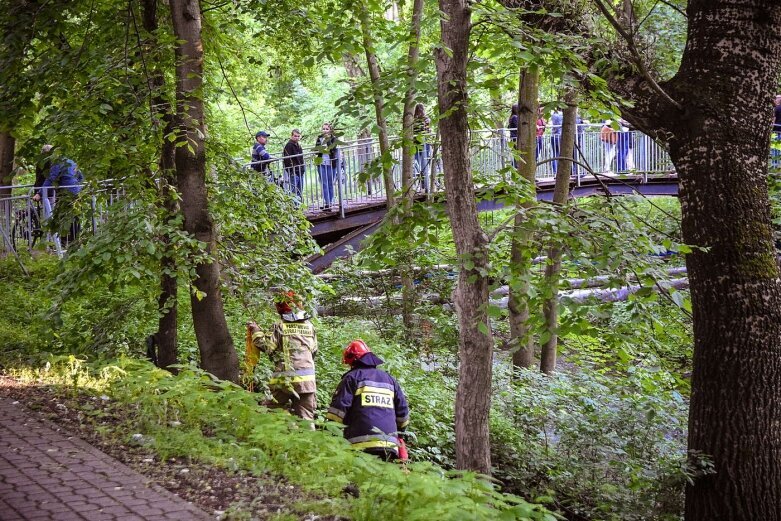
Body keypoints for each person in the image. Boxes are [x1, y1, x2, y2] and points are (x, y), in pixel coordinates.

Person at [326, 340, 410, 461]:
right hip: (389, 445)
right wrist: (399, 432)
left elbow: (336, 413)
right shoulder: (390, 379)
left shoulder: (352, 378)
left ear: (352, 361)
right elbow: (403, 416)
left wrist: (328, 433)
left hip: (360, 444)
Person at [246, 291, 318, 422]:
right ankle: (308, 440)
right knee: (306, 419)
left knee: (272, 413)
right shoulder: (310, 326)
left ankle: (277, 439)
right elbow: (314, 351)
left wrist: (256, 330)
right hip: (308, 381)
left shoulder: (280, 325)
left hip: (284, 380)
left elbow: (267, 346)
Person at [34, 146, 84, 246]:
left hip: (67, 193)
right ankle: (74, 240)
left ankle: (65, 241)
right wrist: (76, 187)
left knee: (62, 216)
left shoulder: (57, 163)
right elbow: (81, 176)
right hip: (77, 192)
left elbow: (51, 179)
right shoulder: (69, 161)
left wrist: (39, 193)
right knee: (75, 216)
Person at [314, 123, 338, 211]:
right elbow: (317, 150)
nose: (325, 130)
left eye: (327, 129)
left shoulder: (334, 138)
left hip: (331, 163)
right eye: (323, 129)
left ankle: (331, 201)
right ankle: (327, 203)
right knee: (324, 183)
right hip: (321, 163)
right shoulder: (319, 138)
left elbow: (333, 149)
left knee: (330, 183)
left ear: (330, 130)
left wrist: (327, 139)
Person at [413, 104, 432, 192]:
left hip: (416, 144)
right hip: (424, 143)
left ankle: (423, 182)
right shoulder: (426, 119)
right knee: (424, 163)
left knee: (418, 162)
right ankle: (424, 183)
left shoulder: (413, 120)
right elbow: (428, 131)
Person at [283, 129, 305, 204]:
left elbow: (301, 158)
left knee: (300, 190)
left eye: (298, 136)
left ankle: (298, 206)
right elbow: (287, 160)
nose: (297, 138)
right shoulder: (289, 145)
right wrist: (292, 170)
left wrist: (302, 168)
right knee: (293, 191)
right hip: (294, 171)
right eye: (295, 136)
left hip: (300, 170)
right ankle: (294, 207)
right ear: (291, 136)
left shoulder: (298, 145)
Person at [508, 104, 519, 168]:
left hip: (514, 137)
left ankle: (515, 166)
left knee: (516, 152)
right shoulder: (514, 117)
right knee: (516, 152)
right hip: (515, 137)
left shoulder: (512, 117)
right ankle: (515, 166)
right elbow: (517, 126)